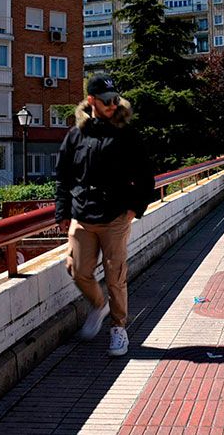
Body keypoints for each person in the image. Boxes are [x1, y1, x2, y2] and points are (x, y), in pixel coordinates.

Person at [55, 74, 155, 357]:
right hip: (82, 216)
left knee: (116, 276)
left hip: (115, 217)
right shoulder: (76, 134)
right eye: (107, 100)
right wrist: (62, 211)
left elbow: (146, 176)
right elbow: (63, 176)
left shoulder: (126, 134)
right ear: (91, 101)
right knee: (77, 270)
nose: (113, 104)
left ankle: (118, 328)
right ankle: (99, 306)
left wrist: (135, 209)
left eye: (115, 99)